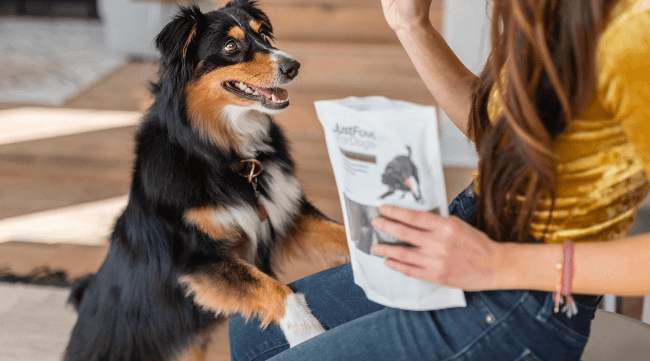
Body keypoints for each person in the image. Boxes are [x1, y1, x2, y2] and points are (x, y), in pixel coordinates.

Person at [228, 0, 650, 359]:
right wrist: (410, 24)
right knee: (253, 335)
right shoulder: (539, 12)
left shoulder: (633, 35)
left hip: (530, 291)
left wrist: (498, 263)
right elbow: (498, 136)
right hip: (474, 224)